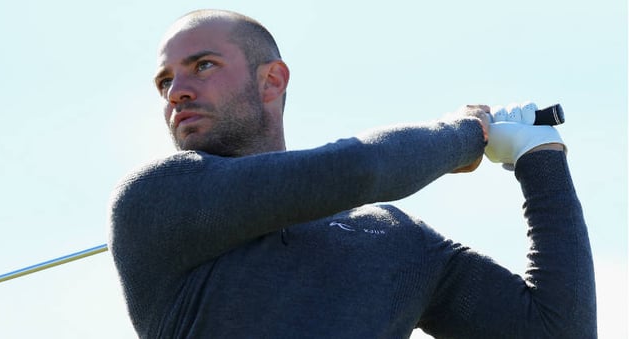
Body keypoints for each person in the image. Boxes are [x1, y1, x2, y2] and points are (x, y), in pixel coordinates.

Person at [107, 9, 596, 338]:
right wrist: (468, 133)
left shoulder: (392, 239)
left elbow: (559, 331)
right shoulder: (154, 198)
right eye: (165, 81)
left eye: (203, 66)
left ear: (272, 80)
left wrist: (541, 159)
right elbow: (359, 168)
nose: (176, 92)